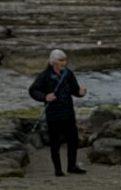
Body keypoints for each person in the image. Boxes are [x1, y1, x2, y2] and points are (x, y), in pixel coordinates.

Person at [29, 48, 89, 177]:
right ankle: (58, 169)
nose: (64, 63)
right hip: (54, 115)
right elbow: (33, 91)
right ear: (54, 62)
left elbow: (74, 90)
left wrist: (80, 93)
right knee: (55, 142)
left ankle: (72, 166)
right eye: (61, 60)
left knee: (73, 140)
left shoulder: (68, 74)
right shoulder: (44, 76)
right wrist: (45, 97)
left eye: (65, 60)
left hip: (68, 112)